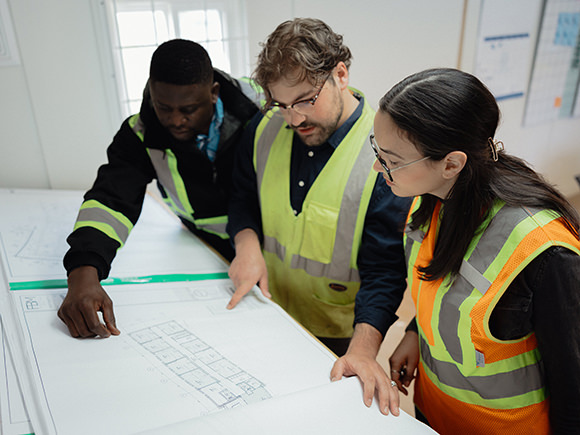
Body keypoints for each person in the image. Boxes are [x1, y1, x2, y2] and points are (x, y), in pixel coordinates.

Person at [331, 68, 580, 433]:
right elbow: (449, 291)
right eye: (377, 150)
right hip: (434, 416)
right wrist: (416, 333)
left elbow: (574, 389)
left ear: (451, 163)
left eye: (392, 160)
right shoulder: (431, 201)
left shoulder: (543, 250)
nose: (377, 166)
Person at [226, 18, 411, 359]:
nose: (294, 119)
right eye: (281, 105)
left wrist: (363, 351)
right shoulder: (264, 128)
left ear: (340, 75)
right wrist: (246, 243)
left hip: (338, 334)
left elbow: (384, 271)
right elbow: (241, 197)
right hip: (267, 307)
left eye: (305, 100)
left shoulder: (384, 157)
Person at [59, 39, 261, 339]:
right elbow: (110, 200)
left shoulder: (262, 109)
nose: (176, 120)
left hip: (264, 244)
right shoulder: (140, 133)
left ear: (214, 92)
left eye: (189, 109)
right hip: (202, 246)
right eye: (163, 107)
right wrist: (83, 271)